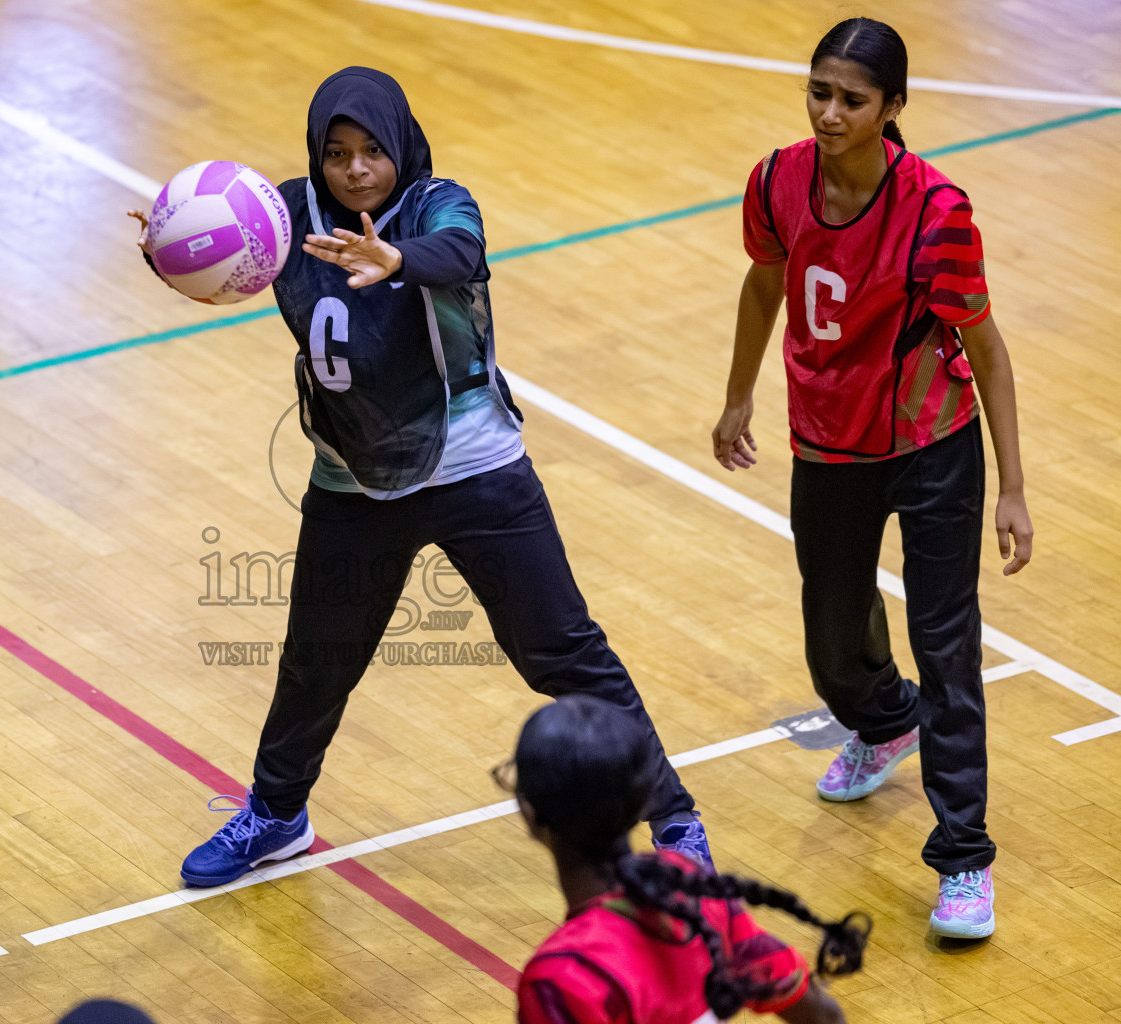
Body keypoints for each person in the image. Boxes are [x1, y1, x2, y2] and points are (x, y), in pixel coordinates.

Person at [132, 67, 710, 887]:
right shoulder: (285, 213)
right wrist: (173, 249)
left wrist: (396, 257)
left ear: (400, 145)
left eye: (372, 149)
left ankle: (675, 819)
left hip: (476, 470)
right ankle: (277, 814)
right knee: (316, 664)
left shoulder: (442, 204)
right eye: (337, 153)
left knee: (564, 654)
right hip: (352, 481)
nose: (356, 169)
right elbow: (226, 253)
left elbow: (460, 252)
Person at [710, 18, 1033, 939]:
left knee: (946, 647)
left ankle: (964, 859)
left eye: (852, 100)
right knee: (832, 641)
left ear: (893, 109)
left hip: (932, 449)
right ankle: (886, 720)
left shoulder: (937, 215)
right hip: (827, 446)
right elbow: (764, 283)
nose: (829, 113)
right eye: (819, 92)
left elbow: (987, 349)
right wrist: (738, 394)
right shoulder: (776, 182)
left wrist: (1012, 488)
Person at [510, 695, 869, 1024]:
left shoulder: (562, 979)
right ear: (641, 801)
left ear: (529, 812)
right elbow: (824, 1016)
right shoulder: (687, 886)